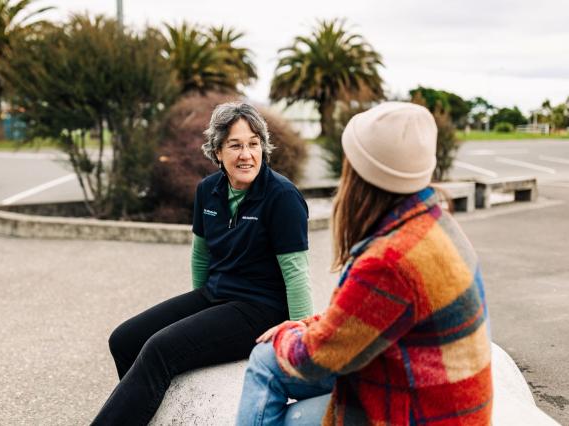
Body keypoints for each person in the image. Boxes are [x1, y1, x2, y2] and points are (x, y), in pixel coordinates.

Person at [236, 102, 493, 425]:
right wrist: (309, 324)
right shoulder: (435, 224)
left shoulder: (389, 261)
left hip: (419, 413)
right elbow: (360, 317)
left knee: (265, 362)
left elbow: (314, 358)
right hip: (444, 403)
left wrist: (287, 331)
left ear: (360, 176)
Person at [91, 102, 314, 425]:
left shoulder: (282, 196)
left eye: (253, 144)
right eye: (235, 145)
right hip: (215, 294)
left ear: (263, 148)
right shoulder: (208, 190)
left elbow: (296, 274)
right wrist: (201, 315)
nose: (246, 155)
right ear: (217, 151)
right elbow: (201, 254)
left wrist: (300, 343)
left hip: (261, 308)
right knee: (124, 339)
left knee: (160, 350)